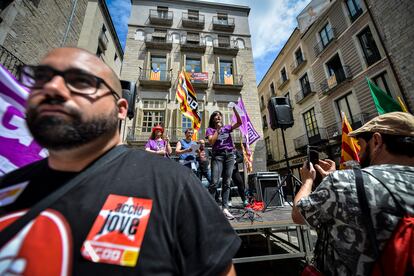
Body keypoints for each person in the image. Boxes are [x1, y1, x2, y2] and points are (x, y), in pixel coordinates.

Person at [0, 47, 241, 275]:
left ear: (121, 109)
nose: (53, 88)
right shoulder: (6, 188)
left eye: (80, 82)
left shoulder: (174, 185)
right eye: (40, 78)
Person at [291, 112, 414, 275]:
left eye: (361, 146)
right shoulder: (345, 181)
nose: (359, 152)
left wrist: (308, 180)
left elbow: (299, 214)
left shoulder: (343, 181)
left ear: (376, 141)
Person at [206, 108, 242, 220]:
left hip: (230, 155)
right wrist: (217, 130)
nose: (218, 117)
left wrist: (236, 111)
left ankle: (225, 208)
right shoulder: (210, 130)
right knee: (214, 182)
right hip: (217, 156)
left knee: (227, 182)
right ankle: (210, 208)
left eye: (219, 115)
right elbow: (211, 141)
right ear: (212, 119)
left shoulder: (227, 128)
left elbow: (239, 123)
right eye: (215, 115)